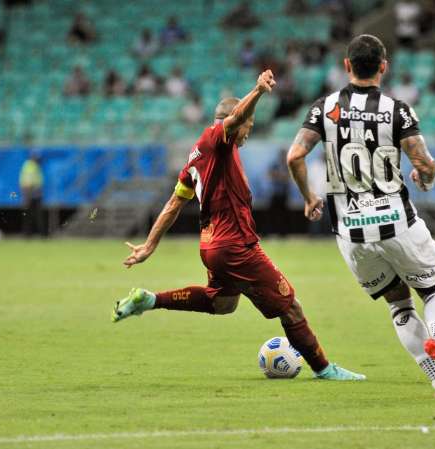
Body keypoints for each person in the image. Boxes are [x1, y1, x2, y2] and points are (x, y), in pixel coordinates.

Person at [112, 70, 364, 381]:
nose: (248, 132)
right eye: (249, 126)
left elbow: (174, 203)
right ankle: (324, 369)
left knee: (222, 303)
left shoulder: (195, 158)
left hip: (212, 245)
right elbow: (233, 121)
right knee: (291, 307)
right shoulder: (217, 139)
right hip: (235, 245)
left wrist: (149, 246)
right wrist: (258, 91)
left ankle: (149, 300)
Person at [287, 34, 435, 397]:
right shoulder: (396, 110)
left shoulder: (324, 108)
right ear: (383, 66)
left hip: (350, 233)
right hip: (397, 222)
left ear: (346, 66)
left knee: (398, 305)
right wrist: (425, 175)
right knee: (433, 291)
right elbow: (423, 164)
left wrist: (309, 197)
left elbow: (294, 156)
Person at [19, 153, 44, 237]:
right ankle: (31, 234)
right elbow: (28, 182)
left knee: (32, 215)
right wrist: (26, 195)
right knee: (32, 215)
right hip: (31, 194)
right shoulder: (30, 166)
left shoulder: (33, 166)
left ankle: (29, 234)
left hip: (34, 193)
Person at [267, 150, 291, 236]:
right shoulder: (275, 165)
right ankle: (271, 232)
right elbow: (269, 175)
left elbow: (288, 178)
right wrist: (281, 176)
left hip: (284, 194)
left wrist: (278, 175)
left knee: (284, 214)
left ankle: (283, 233)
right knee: (273, 214)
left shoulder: (288, 165)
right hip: (275, 193)